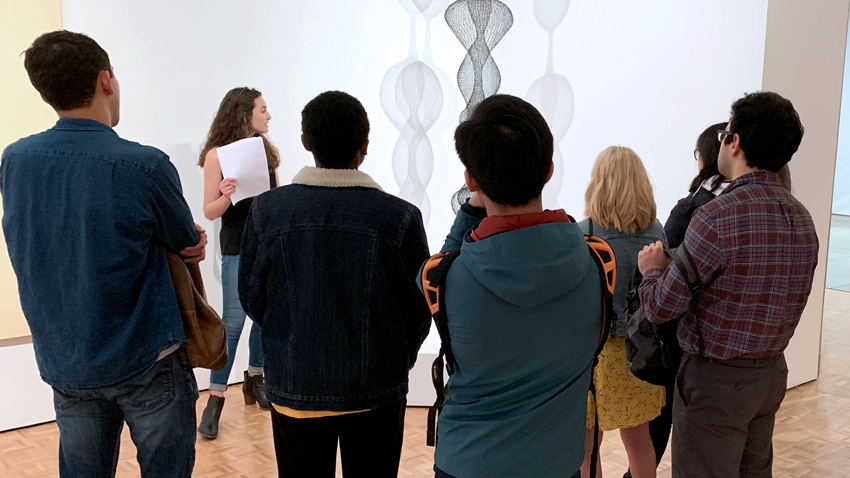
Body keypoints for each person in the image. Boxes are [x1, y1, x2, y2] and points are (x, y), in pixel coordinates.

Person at [1, 31, 205, 477]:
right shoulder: (146, 164)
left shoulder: (14, 160)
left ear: (42, 92)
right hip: (147, 354)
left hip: (67, 357)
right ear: (106, 80)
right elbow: (184, 242)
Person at [238, 91, 431, 477]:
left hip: (295, 383)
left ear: (306, 143)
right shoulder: (399, 217)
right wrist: (396, 360)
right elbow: (418, 309)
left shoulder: (268, 211)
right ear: (365, 147)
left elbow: (252, 298)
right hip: (375, 387)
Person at [638, 91, 818, 478]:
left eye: (725, 134)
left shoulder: (716, 217)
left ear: (734, 142)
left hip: (715, 382)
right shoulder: (802, 218)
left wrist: (653, 269)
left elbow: (660, 307)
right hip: (771, 374)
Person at [426, 94, 601, 478]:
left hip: (466, 461)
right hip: (558, 462)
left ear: (471, 179)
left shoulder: (447, 278)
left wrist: (469, 210)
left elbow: (442, 262)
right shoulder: (597, 265)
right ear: (549, 169)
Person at [578, 146, 667, 478]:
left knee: (586, 443)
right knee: (639, 438)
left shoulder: (583, 232)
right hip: (638, 350)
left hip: (593, 352)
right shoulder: (656, 231)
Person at [196, 87, 279, 439]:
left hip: (267, 242)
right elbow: (208, 210)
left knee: (265, 316)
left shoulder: (267, 151)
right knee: (233, 321)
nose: (269, 115)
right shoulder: (217, 156)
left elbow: (277, 195)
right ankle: (215, 397)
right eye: (263, 109)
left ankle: (255, 379)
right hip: (236, 245)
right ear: (245, 114)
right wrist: (227, 195)